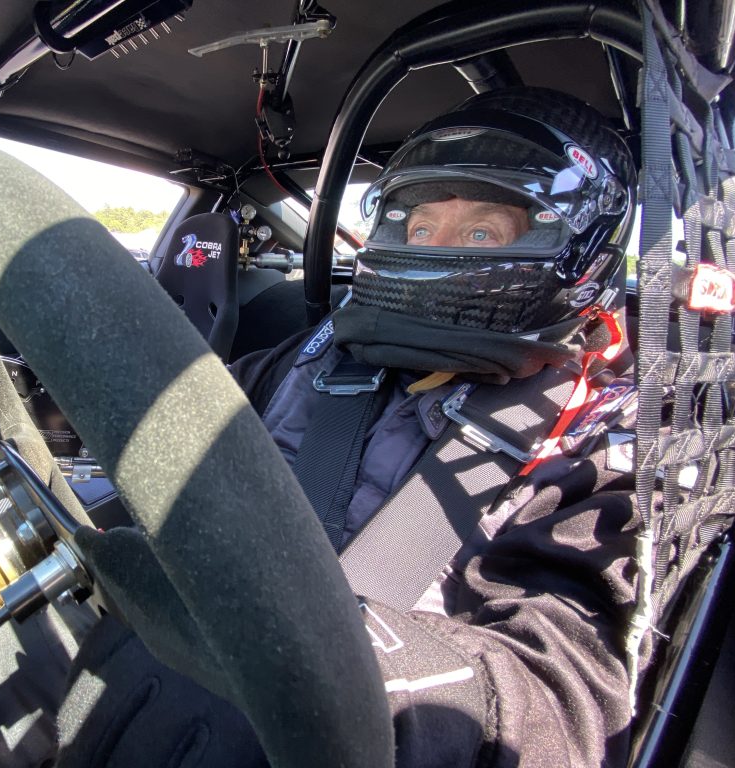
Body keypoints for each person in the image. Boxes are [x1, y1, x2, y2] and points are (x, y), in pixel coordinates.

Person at [53, 87, 644, 767]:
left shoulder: (600, 435)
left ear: (575, 248)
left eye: (482, 232)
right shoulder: (316, 353)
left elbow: (561, 691)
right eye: (421, 228)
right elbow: (177, 448)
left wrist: (345, 688)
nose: (434, 251)